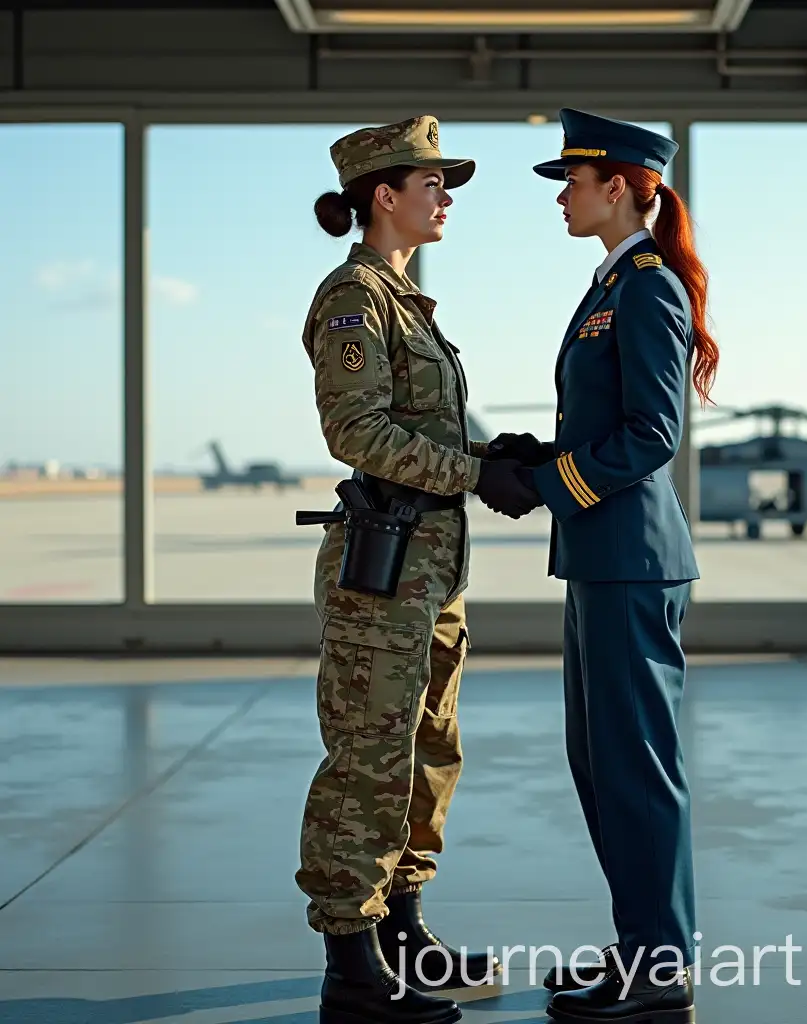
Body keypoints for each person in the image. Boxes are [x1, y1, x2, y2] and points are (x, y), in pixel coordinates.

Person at [294, 115, 537, 1024]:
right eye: (431, 181)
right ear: (382, 195)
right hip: (386, 567)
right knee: (370, 757)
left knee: (428, 752)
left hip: (432, 566)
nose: (445, 196)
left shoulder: (406, 302)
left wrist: (495, 450)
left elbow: (419, 431)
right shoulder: (354, 297)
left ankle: (402, 932)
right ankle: (352, 969)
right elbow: (356, 433)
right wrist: (477, 473)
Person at [488, 108, 719, 1023]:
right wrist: (533, 452)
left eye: (572, 181)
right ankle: (641, 947)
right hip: (600, 560)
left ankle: (661, 967)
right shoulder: (610, 284)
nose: (561, 196)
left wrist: (550, 483)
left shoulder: (649, 287)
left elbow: (652, 437)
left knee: (635, 765)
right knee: (600, 762)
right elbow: (603, 423)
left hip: (630, 562)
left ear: (617, 186)